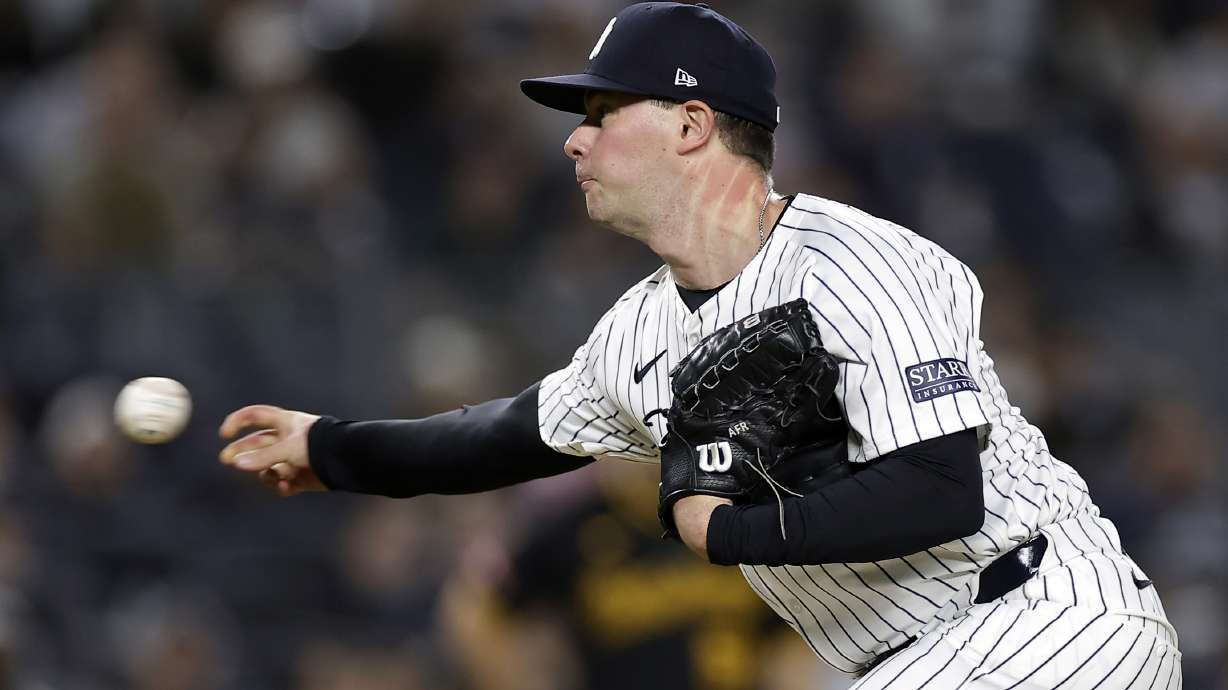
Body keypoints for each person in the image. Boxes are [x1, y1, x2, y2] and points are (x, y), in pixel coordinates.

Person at [219, 3, 1181, 687]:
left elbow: (941, 486)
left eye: (601, 115)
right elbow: (504, 435)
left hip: (1043, 619)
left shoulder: (860, 262)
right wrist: (330, 448)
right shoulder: (637, 330)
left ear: (690, 125)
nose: (574, 143)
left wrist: (730, 531)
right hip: (919, 658)